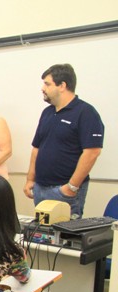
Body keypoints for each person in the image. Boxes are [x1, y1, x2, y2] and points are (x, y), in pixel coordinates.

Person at [23, 63, 104, 219]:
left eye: (47, 84)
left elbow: (92, 152)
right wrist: (30, 179)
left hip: (65, 190)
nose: (42, 88)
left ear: (62, 85)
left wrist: (71, 187)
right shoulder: (47, 113)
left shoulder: (86, 113)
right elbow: (36, 148)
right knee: (41, 238)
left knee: (64, 239)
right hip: (40, 188)